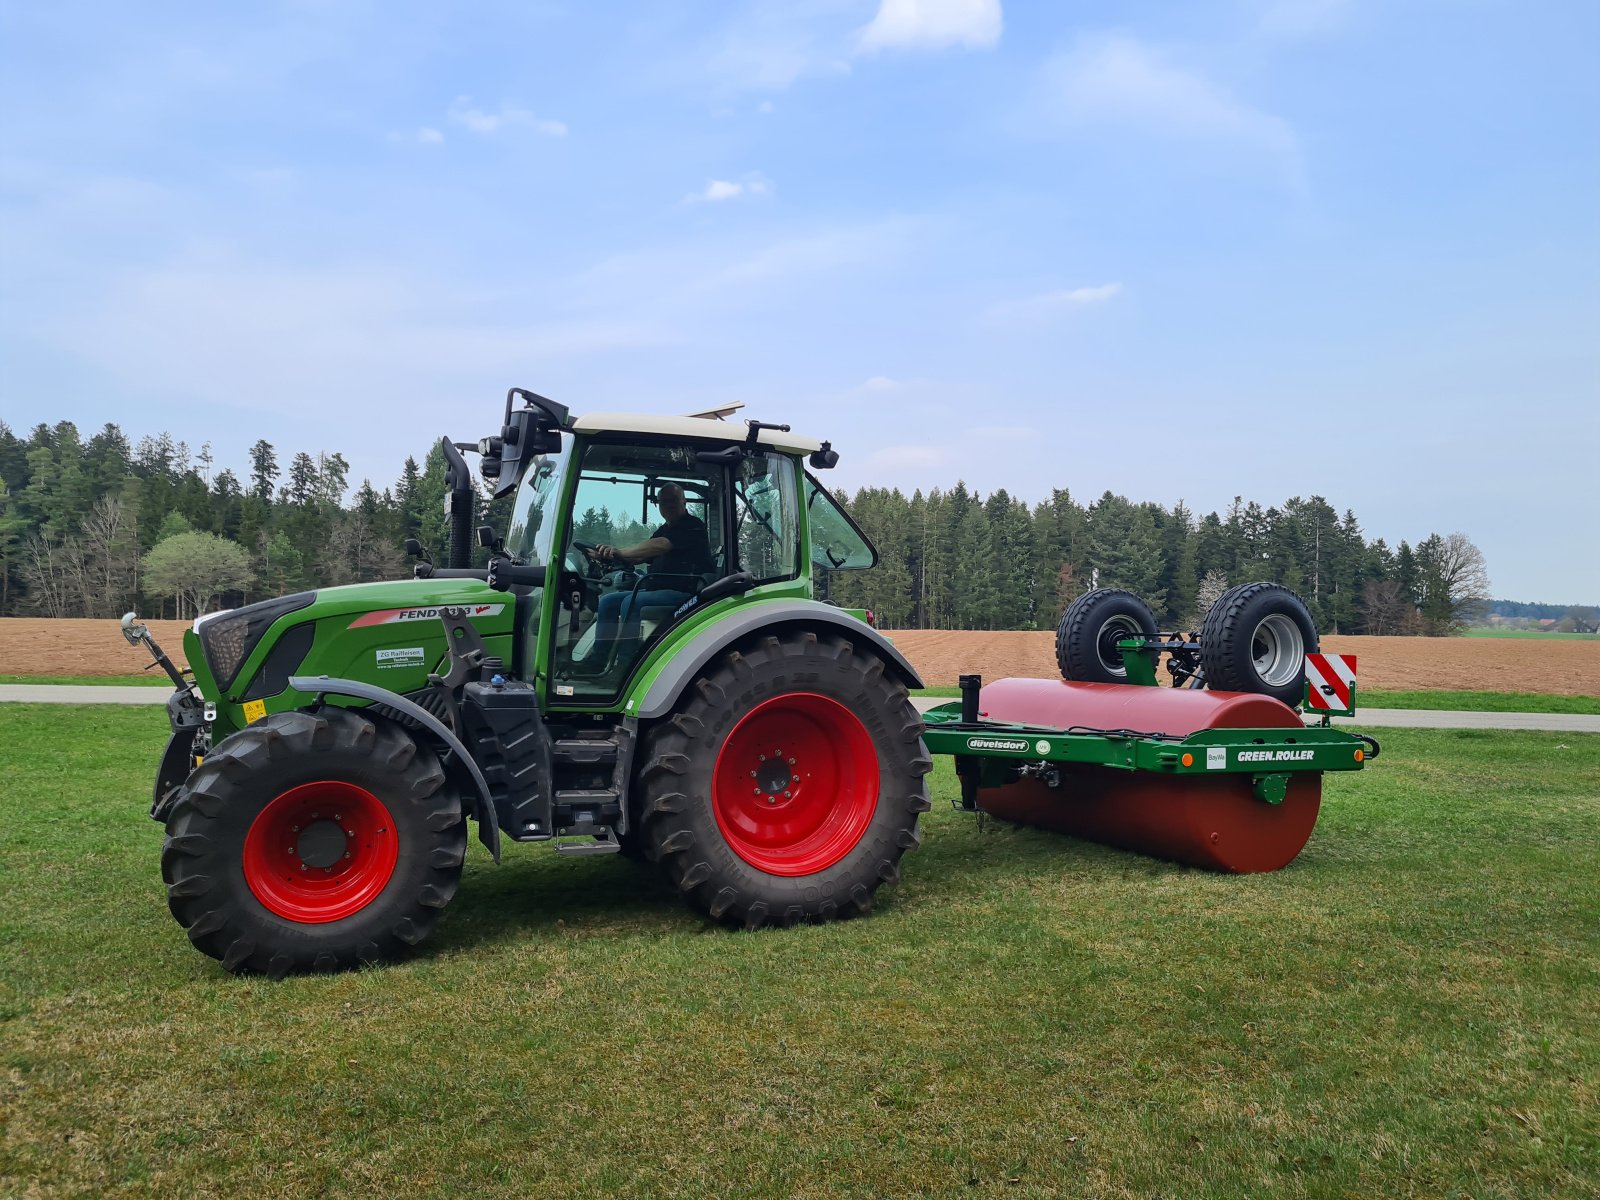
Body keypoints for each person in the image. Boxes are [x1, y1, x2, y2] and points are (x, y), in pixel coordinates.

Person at [584, 481, 713, 667]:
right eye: (663, 502)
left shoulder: (693, 526)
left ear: (684, 501)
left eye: (673, 500)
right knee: (608, 601)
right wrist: (606, 556)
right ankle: (597, 661)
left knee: (631, 602)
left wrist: (620, 550)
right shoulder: (664, 529)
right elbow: (642, 555)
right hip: (658, 589)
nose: (668, 505)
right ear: (658, 505)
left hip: (685, 592)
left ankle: (625, 665)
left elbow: (660, 545)